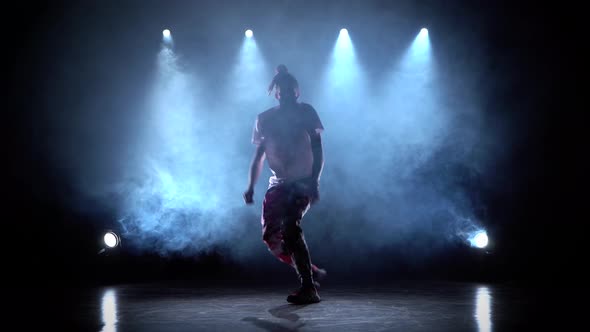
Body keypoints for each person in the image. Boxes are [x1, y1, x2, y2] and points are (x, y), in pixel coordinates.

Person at [244, 72, 326, 304]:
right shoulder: (265, 119)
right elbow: (259, 156)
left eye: (291, 90)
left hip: (301, 182)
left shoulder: (306, 112)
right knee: (271, 237)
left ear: (297, 91)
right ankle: (311, 271)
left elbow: (318, 149)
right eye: (282, 91)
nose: (287, 94)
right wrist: (250, 186)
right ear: (276, 93)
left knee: (290, 227)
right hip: (277, 184)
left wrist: (314, 181)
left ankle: (308, 287)